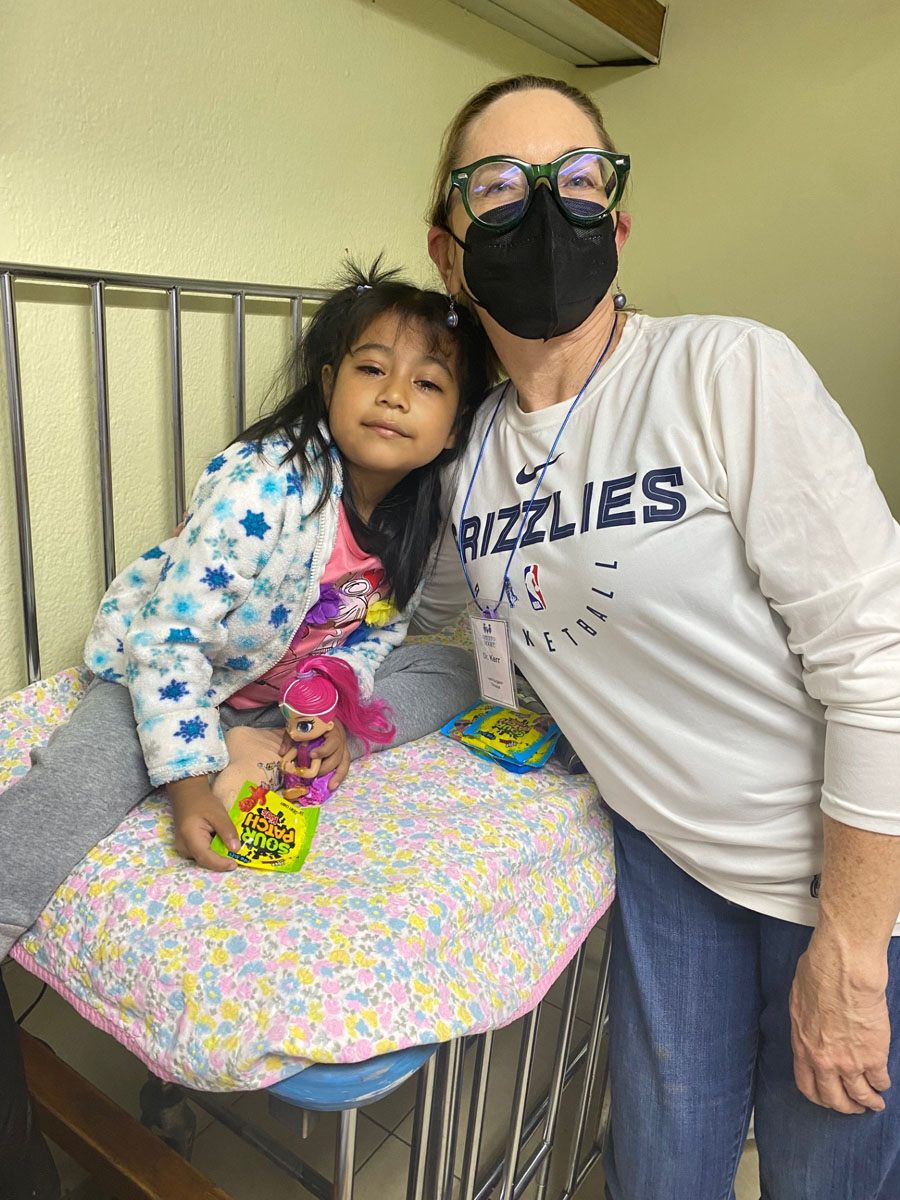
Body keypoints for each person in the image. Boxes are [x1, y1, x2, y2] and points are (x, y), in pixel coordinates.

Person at [413, 74, 900, 1199]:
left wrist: (854, 953)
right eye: (499, 187)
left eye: (577, 180)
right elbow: (420, 613)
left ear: (617, 224)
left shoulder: (726, 371)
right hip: (671, 859)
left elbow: (878, 665)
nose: (544, 210)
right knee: (662, 1173)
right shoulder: (472, 456)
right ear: (449, 251)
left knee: (829, 1175)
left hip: (845, 865)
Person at [0, 260, 491, 1197]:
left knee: (455, 665)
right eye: (370, 369)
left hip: (278, 690)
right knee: (78, 780)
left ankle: (319, 736)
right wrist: (191, 773)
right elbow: (171, 639)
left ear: (453, 423)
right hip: (173, 670)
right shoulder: (267, 483)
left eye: (427, 383)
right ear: (327, 384)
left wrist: (337, 711)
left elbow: (374, 629)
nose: (394, 396)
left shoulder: (414, 517)